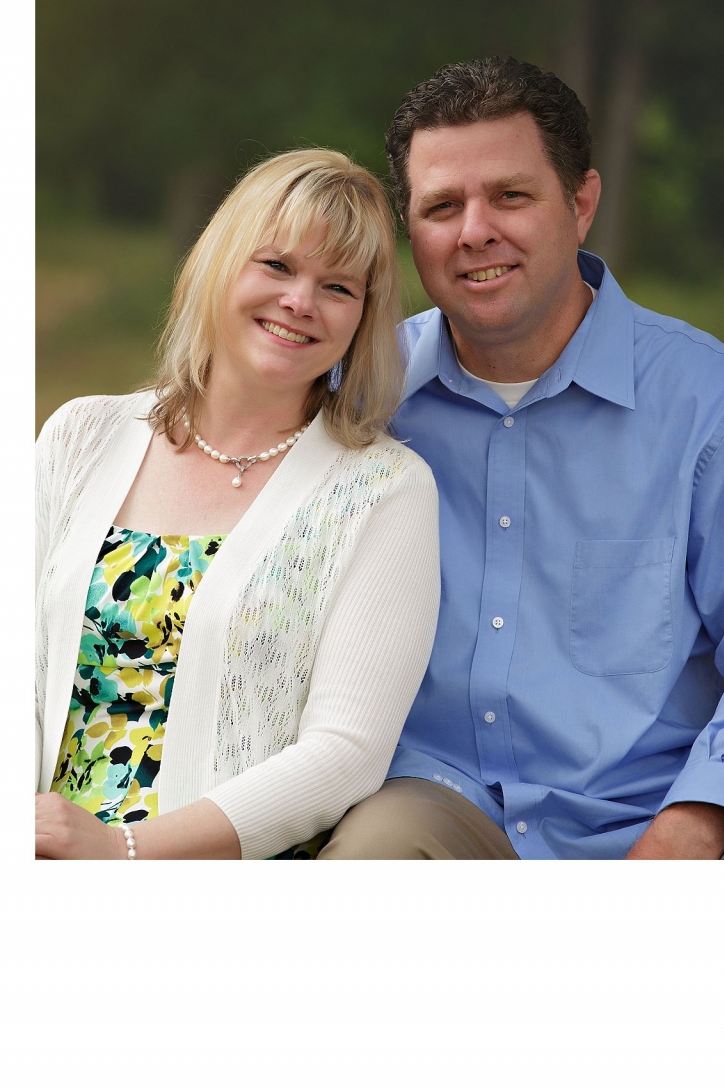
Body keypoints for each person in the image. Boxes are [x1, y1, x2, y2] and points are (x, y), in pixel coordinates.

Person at [318, 56, 724, 860]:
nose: (476, 231)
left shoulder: (713, 407)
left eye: (510, 195)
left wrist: (701, 819)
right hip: (431, 808)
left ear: (580, 204)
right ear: (413, 231)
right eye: (442, 206)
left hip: (643, 818)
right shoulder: (362, 401)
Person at [35, 149, 440, 860]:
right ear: (219, 263)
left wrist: (123, 853)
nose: (300, 302)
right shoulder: (80, 435)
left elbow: (344, 752)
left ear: (363, 318)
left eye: (338, 287)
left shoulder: (385, 489)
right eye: (278, 266)